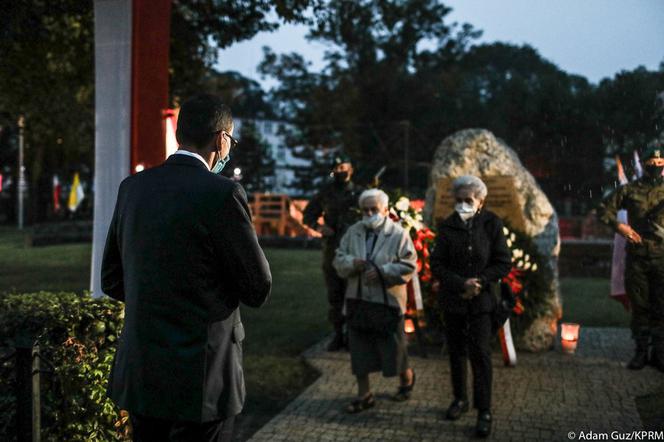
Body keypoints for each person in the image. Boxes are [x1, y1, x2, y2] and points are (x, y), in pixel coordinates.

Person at [101, 94, 272, 442]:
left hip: (143, 370)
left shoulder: (133, 188)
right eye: (231, 140)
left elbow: (112, 279)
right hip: (203, 375)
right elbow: (258, 286)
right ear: (221, 139)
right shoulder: (222, 193)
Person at [430, 175, 511, 438]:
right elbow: (437, 264)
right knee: (456, 352)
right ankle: (459, 399)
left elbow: (502, 262)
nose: (463, 204)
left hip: (482, 301)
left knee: (480, 355)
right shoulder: (447, 226)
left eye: (469, 200)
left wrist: (480, 282)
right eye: (459, 200)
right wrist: (460, 283)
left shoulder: (491, 224)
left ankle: (484, 410)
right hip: (453, 299)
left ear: (481, 201)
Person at [333, 188, 417, 413]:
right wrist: (353, 263)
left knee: (394, 348)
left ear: (386, 210)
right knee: (359, 351)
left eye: (374, 209)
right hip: (357, 300)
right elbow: (339, 259)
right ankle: (364, 395)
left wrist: (383, 271)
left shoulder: (399, 234)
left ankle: (406, 378)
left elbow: (409, 265)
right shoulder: (353, 231)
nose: (369, 213)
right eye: (365, 210)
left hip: (387, 301)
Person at [597, 143, 664, 373]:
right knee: (640, 306)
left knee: (661, 306)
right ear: (644, 164)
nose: (655, 166)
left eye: (660, 163)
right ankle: (640, 352)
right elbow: (602, 210)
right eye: (652, 163)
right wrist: (620, 227)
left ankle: (660, 353)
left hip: (662, 258)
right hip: (637, 258)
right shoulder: (629, 191)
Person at [303, 154, 362, 351]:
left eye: (343, 167)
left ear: (351, 169)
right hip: (332, 250)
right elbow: (308, 214)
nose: (339, 171)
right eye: (336, 168)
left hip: (354, 250)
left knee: (353, 294)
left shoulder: (361, 194)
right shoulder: (326, 193)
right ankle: (338, 334)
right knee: (335, 295)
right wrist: (319, 228)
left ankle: (353, 336)